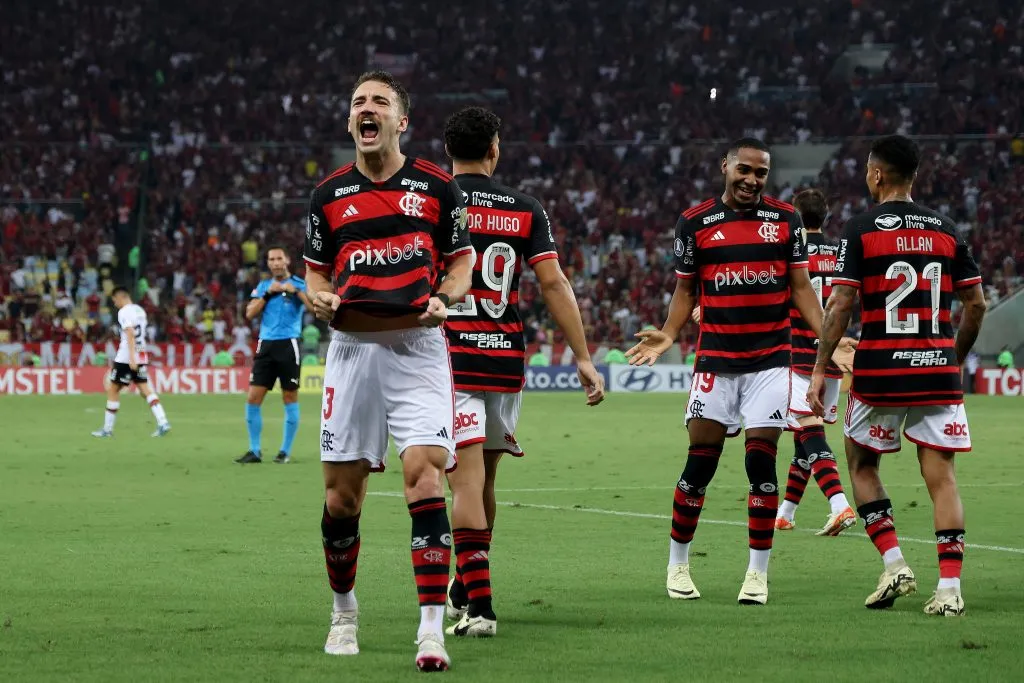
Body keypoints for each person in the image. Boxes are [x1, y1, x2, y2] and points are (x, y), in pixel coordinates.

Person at [625, 138, 854, 605]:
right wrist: (668, 333)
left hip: (770, 363)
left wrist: (829, 340)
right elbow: (685, 290)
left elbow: (802, 289)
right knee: (699, 465)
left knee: (760, 464)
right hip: (716, 361)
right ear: (725, 167)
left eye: (760, 173)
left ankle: (757, 574)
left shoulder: (785, 220)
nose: (751, 180)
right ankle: (677, 565)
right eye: (744, 170)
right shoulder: (695, 222)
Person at [303, 71, 475, 670]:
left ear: (402, 121)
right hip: (352, 350)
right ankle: (344, 612)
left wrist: (445, 297)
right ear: (349, 121)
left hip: (417, 347)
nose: (366, 109)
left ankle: (430, 631)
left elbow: (461, 263)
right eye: (358, 102)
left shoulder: (438, 187)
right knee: (341, 498)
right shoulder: (327, 195)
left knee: (424, 477)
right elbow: (315, 271)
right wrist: (318, 296)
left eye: (379, 101)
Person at [439, 106, 605, 637]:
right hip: (504, 359)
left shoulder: (432, 200)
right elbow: (553, 284)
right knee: (484, 478)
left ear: (448, 150)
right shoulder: (525, 208)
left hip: (448, 358)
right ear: (495, 149)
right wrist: (582, 356)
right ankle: (466, 583)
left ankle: (481, 606)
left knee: (462, 482)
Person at [809, 135, 987, 617]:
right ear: (915, 176)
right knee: (942, 478)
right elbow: (976, 305)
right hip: (936, 371)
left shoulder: (860, 229)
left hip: (881, 371)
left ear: (877, 174)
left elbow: (840, 305)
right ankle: (949, 590)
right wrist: (953, 357)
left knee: (861, 465)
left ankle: (894, 564)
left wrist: (820, 368)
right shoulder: (947, 230)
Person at [775, 188, 856, 535]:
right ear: (825, 216)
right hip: (832, 354)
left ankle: (838, 504)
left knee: (809, 431)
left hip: (799, 355)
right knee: (804, 435)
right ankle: (786, 512)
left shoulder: (790, 252)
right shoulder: (841, 254)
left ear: (794, 216)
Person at [236, 247, 313, 465]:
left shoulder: (299, 284)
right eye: (272, 259)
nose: (276, 262)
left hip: (289, 344)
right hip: (266, 345)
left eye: (279, 258)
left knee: (289, 397)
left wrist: (296, 292)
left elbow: (314, 310)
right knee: (253, 398)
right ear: (268, 263)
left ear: (287, 260)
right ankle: (254, 450)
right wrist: (269, 294)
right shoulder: (263, 286)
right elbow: (250, 313)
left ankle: (284, 452)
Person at [91, 286, 171, 438]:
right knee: (144, 389)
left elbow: (130, 333)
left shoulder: (124, 311)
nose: (115, 303)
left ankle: (107, 430)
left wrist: (132, 357)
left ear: (120, 297)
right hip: (140, 352)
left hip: (127, 356)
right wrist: (138, 355)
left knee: (113, 390)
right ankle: (163, 422)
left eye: (115, 300)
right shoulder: (140, 311)